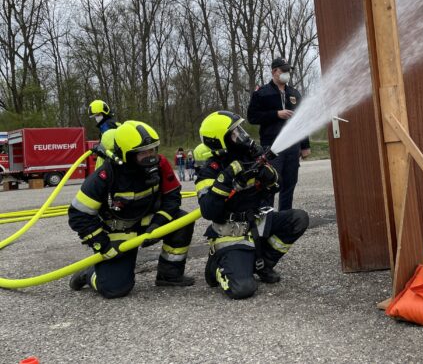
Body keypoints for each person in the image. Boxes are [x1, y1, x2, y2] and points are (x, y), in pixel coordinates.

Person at [67, 120, 195, 298]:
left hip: (148, 222)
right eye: (144, 153)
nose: (151, 156)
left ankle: (169, 274)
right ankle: (89, 275)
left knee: (183, 221)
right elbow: (78, 214)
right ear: (126, 155)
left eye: (153, 150)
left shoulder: (160, 164)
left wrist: (159, 223)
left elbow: (172, 197)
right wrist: (102, 244)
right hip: (117, 233)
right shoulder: (105, 176)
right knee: (115, 289)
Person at [196, 110, 309, 299]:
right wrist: (226, 179)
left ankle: (263, 263)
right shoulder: (210, 171)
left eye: (239, 129)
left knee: (298, 219)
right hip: (232, 233)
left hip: (258, 222)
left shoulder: (250, 157)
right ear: (220, 141)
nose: (242, 135)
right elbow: (208, 210)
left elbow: (276, 186)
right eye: (234, 133)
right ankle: (216, 266)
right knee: (243, 289)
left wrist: (270, 176)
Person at [247, 57, 311, 211]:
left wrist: (305, 145)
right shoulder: (261, 93)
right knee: (270, 183)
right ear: (274, 72)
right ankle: (266, 221)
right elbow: (252, 117)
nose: (287, 73)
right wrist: (276, 114)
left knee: (289, 184)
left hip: (292, 146)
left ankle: (285, 218)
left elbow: (301, 121)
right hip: (271, 147)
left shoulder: (294, 93)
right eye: (284, 71)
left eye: (289, 71)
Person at [88, 99, 120, 168]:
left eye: (98, 115)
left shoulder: (106, 125)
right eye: (95, 116)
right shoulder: (112, 123)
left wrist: (100, 149)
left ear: (104, 112)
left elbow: (109, 147)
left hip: (110, 166)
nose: (96, 118)